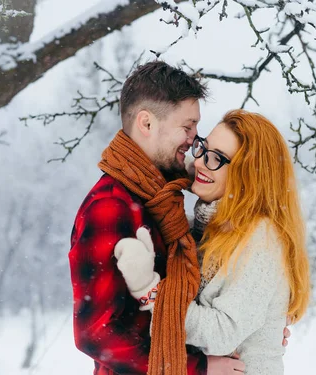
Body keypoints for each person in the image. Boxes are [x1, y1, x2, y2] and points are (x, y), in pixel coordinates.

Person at [68, 61, 247, 375]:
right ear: (147, 123)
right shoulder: (111, 205)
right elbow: (95, 333)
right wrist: (196, 369)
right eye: (187, 127)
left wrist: (257, 318)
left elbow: (188, 296)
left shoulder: (160, 200)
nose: (194, 140)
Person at [115, 109, 311, 375]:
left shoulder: (261, 239)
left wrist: (150, 290)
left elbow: (222, 331)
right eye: (203, 149)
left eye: (217, 158)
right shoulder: (207, 229)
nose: (199, 162)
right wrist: (177, 173)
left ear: (249, 176)